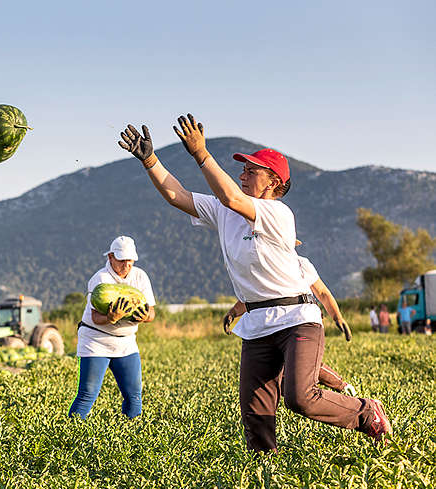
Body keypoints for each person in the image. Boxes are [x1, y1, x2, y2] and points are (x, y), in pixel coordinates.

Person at [118, 114, 390, 450]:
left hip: (297, 320)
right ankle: (265, 476)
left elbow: (233, 198)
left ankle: (365, 412)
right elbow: (179, 196)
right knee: (256, 415)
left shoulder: (278, 213)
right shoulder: (223, 211)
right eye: (242, 170)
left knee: (300, 398)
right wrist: (150, 160)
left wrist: (201, 155)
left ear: (274, 182)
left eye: (251, 171)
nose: (243, 174)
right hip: (258, 325)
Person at [224, 256, 357, 397]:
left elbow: (322, 292)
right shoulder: (262, 267)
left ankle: (342, 388)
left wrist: (338, 317)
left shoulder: (299, 263)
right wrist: (233, 313)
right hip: (267, 325)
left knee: (303, 365)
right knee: (282, 372)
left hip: (298, 320)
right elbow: (253, 297)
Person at [69, 236, 156, 419]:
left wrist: (146, 317)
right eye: (121, 260)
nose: (126, 266)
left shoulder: (140, 276)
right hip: (96, 340)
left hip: (126, 343)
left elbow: (152, 312)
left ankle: (130, 437)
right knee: (87, 395)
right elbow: (95, 317)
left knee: (134, 397)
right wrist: (110, 317)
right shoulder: (100, 279)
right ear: (110, 257)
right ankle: (68, 439)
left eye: (130, 261)